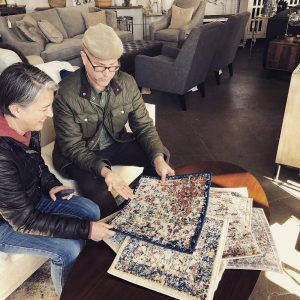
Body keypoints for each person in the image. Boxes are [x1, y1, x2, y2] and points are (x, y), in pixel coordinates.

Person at [0, 63, 115, 296]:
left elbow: (37, 163)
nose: (50, 114)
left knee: (91, 209)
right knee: (68, 248)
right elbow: (23, 220)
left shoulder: (26, 125)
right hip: (8, 222)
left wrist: (51, 184)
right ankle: (71, 293)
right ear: (16, 108)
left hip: (29, 200)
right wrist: (86, 230)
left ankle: (84, 272)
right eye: (44, 108)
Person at [53, 23, 175, 217]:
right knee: (99, 193)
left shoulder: (127, 83)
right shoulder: (66, 93)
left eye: (113, 66)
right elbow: (72, 147)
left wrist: (158, 158)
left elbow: (143, 126)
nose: (108, 74)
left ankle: (145, 208)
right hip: (81, 154)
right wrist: (105, 171)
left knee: (160, 156)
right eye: (100, 67)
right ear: (84, 58)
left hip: (115, 143)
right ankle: (118, 226)